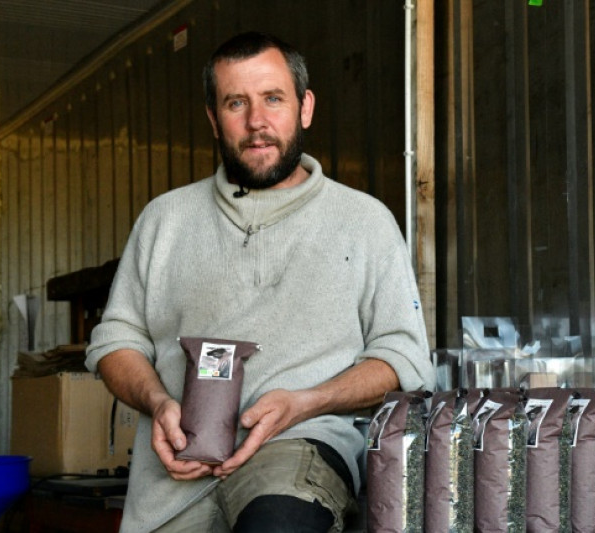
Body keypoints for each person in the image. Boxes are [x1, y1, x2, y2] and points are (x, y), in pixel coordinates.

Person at [85, 31, 435, 533]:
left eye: (273, 98)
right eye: (236, 103)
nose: (257, 122)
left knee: (277, 522)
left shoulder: (365, 221)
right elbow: (116, 342)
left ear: (305, 107)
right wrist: (160, 403)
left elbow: (403, 360)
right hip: (176, 471)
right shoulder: (165, 220)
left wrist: (306, 402)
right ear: (212, 118)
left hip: (298, 448)